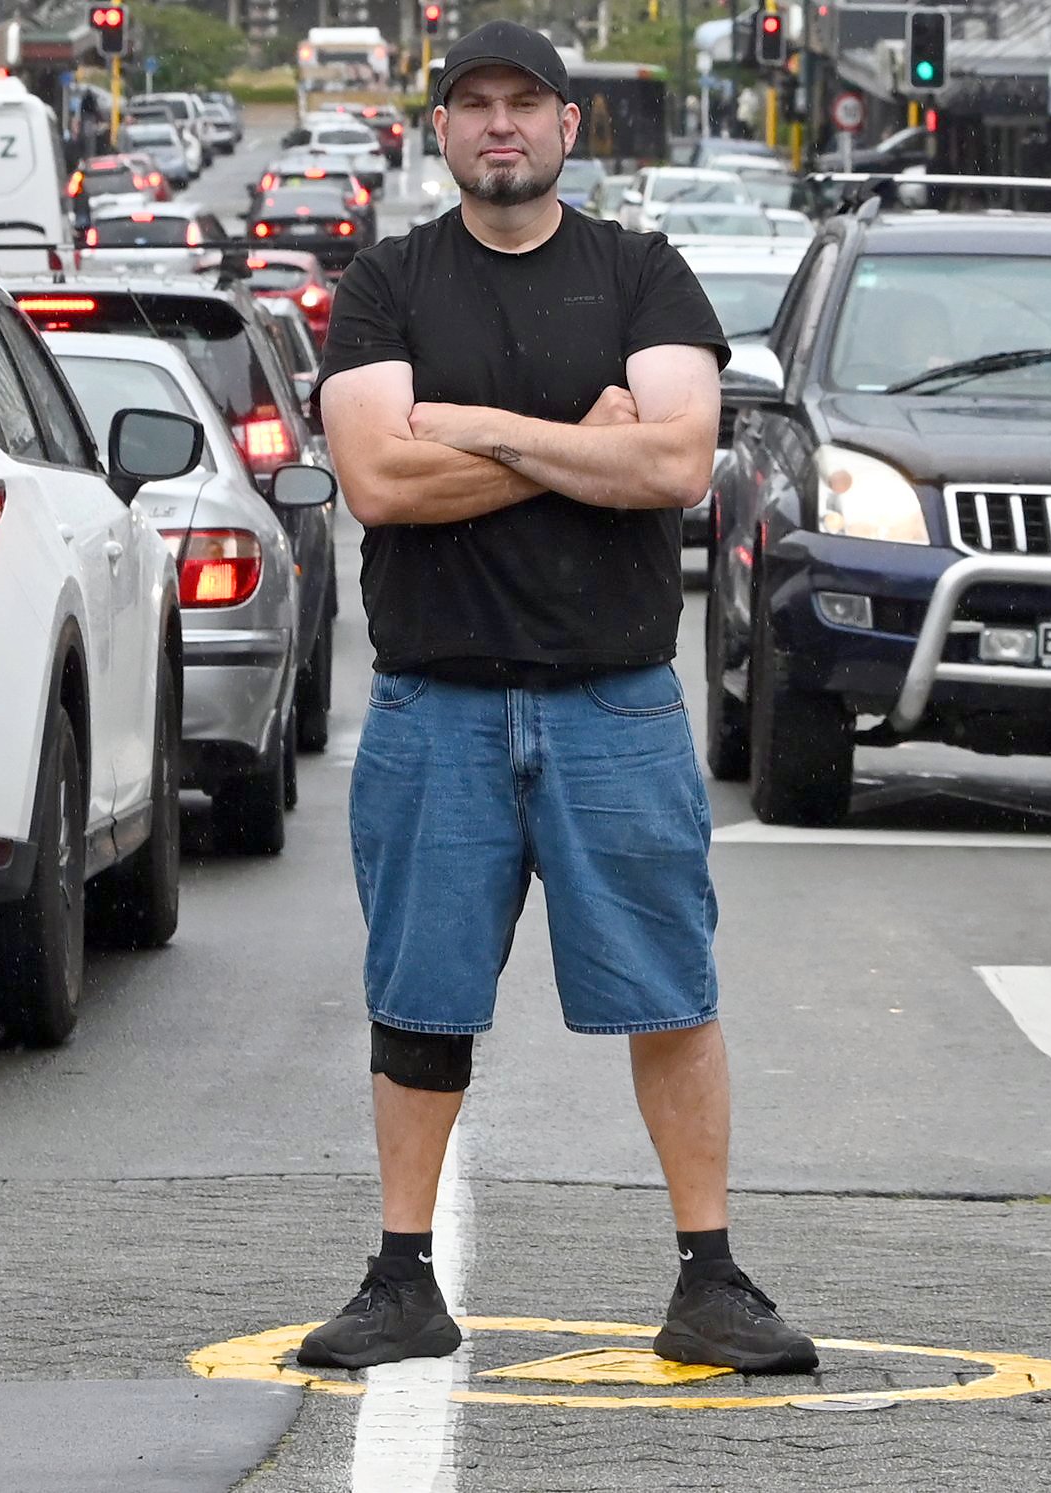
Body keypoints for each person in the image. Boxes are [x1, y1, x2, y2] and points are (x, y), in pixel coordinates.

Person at [295, 20, 817, 1375]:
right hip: (434, 705)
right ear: (441, 131)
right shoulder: (387, 284)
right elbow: (379, 483)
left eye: (524, 102)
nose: (499, 125)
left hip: (613, 704)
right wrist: (577, 441)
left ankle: (709, 1280)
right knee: (418, 997)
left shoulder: (641, 274)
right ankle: (401, 1280)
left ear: (568, 127)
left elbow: (675, 467)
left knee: (668, 992)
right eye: (472, 105)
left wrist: (474, 426)